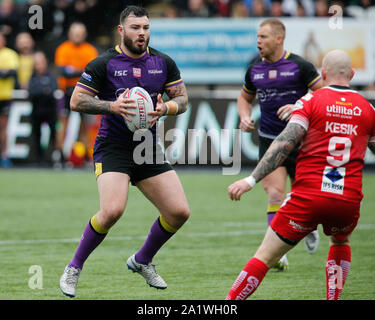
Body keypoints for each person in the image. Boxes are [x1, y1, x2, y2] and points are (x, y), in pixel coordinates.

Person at [59, 5, 190, 298]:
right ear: (122, 30)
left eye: (145, 28)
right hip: (113, 147)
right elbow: (77, 101)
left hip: (147, 148)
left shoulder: (162, 62)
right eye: (135, 28)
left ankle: (142, 260)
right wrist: (112, 106)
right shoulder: (103, 63)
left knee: (179, 212)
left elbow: (182, 99)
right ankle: (74, 267)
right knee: (112, 211)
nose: (141, 33)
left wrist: (165, 108)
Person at [226, 49, 375, 300]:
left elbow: (284, 143)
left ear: (323, 74)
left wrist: (251, 180)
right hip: (347, 201)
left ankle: (229, 303)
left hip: (309, 198)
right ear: (352, 74)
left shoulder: (309, 102)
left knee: (265, 256)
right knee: (340, 242)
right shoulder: (368, 109)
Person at [237, 18, 322, 269]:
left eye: (263, 37)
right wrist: (244, 115)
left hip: (303, 141)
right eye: (257, 37)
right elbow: (244, 98)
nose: (258, 42)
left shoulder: (300, 66)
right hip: (270, 140)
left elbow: (324, 94)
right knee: (274, 193)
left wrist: (299, 106)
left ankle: (307, 228)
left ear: (279, 39)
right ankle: (277, 254)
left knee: (305, 198)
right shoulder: (254, 68)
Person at [54, 22, 98, 167]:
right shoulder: (63, 49)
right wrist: (81, 71)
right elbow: (63, 72)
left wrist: (74, 71)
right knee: (62, 124)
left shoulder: (89, 50)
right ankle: (59, 155)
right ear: (70, 34)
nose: (77, 36)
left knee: (86, 125)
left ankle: (86, 156)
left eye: (80, 33)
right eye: (75, 33)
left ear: (84, 35)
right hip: (66, 91)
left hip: (85, 91)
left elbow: (92, 72)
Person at [28, 51, 58, 166]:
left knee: (53, 135)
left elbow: (52, 90)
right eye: (36, 63)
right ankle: (39, 159)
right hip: (36, 111)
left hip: (50, 111)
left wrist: (41, 92)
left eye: (40, 63)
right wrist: (43, 91)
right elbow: (31, 92)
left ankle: (52, 158)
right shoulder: (32, 77)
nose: (38, 66)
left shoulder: (51, 76)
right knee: (36, 135)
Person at [0, 32, 19, 168]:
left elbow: (11, 73)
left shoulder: (10, 54)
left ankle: (4, 155)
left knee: (3, 128)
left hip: (4, 97)